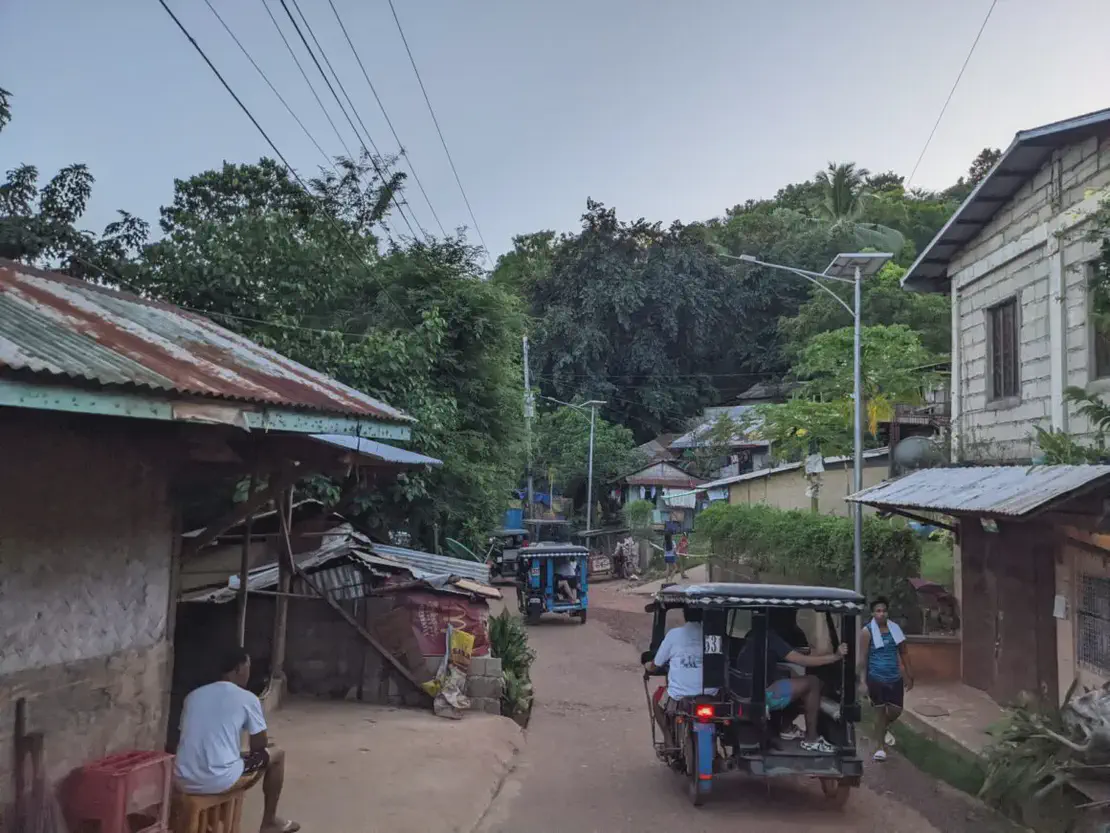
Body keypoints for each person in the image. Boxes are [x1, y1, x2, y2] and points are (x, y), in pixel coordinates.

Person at [175, 647, 300, 833]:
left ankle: (209, 822)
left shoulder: (193, 696)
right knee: (276, 753)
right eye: (248, 666)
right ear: (239, 668)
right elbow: (259, 746)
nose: (249, 672)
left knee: (231, 758)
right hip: (217, 779)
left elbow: (190, 739)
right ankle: (269, 822)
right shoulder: (248, 699)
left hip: (182, 778)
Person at [734, 624, 848, 754]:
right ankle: (812, 740)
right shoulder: (770, 637)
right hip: (763, 697)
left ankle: (786, 728)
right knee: (813, 683)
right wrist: (835, 656)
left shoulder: (754, 633)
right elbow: (802, 660)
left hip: (745, 694)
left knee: (793, 675)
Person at [643, 608, 717, 743]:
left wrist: (649, 667)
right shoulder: (712, 636)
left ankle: (668, 739)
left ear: (685, 615)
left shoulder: (674, 635)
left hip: (681, 695)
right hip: (711, 694)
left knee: (657, 699)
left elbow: (657, 663)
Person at [858, 596, 913, 762]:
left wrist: (909, 674)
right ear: (873, 613)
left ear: (888, 613)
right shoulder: (867, 631)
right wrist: (862, 681)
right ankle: (880, 748)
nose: (881, 614)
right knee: (880, 712)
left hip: (894, 677)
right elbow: (863, 657)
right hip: (875, 677)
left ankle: (879, 729)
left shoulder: (895, 629)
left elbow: (903, 652)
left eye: (884, 611)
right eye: (878, 611)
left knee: (896, 710)